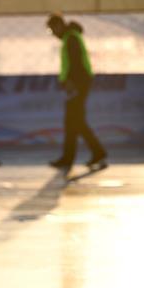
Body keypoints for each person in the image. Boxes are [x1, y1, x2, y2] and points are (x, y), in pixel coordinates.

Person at [46, 13, 107, 171]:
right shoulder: (70, 37)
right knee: (74, 122)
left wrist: (71, 84)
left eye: (52, 30)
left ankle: (90, 153)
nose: (53, 34)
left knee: (74, 121)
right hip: (78, 84)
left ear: (58, 25)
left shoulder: (71, 38)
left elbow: (75, 63)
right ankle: (78, 155)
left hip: (77, 84)